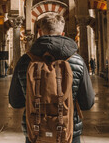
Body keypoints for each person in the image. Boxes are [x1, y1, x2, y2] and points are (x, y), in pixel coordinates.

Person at [9, 13, 95, 143]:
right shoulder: (77, 61)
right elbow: (87, 103)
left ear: (39, 32)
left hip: (35, 131)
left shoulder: (25, 61)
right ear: (63, 34)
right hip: (68, 131)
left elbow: (15, 102)